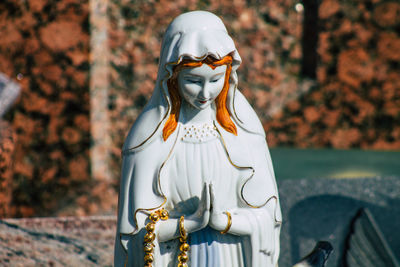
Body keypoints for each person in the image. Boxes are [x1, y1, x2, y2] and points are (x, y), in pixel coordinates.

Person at [114, 10, 282, 267]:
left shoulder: (244, 133)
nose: (205, 93)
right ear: (172, 78)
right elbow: (135, 233)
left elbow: (267, 216)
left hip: (231, 256)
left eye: (216, 80)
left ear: (228, 77)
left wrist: (224, 222)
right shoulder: (148, 140)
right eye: (193, 81)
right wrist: (189, 223)